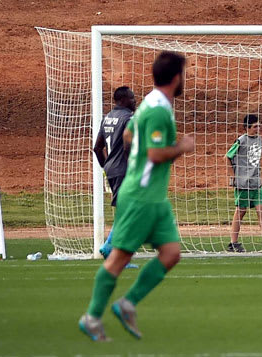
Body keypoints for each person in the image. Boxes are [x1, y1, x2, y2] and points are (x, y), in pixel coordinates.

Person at [77, 51, 195, 342]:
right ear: (177, 77)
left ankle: (127, 304)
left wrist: (136, 162)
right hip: (141, 196)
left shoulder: (149, 104)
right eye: (185, 74)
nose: (186, 79)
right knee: (118, 258)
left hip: (154, 197)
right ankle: (91, 317)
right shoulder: (156, 110)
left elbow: (130, 136)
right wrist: (182, 147)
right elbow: (155, 153)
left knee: (171, 254)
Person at [226, 113, 262, 251]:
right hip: (243, 182)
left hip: (256, 182)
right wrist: (232, 177)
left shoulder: (259, 140)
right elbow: (227, 157)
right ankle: (233, 243)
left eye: (259, 126)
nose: (258, 128)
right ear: (247, 128)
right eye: (255, 126)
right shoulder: (241, 141)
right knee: (241, 211)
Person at [92, 86, 136, 257]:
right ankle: (111, 248)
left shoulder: (107, 118)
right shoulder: (128, 119)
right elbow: (127, 147)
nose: (135, 101)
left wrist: (106, 167)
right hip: (124, 169)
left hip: (112, 169)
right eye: (132, 98)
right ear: (123, 100)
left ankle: (110, 246)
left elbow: (97, 148)